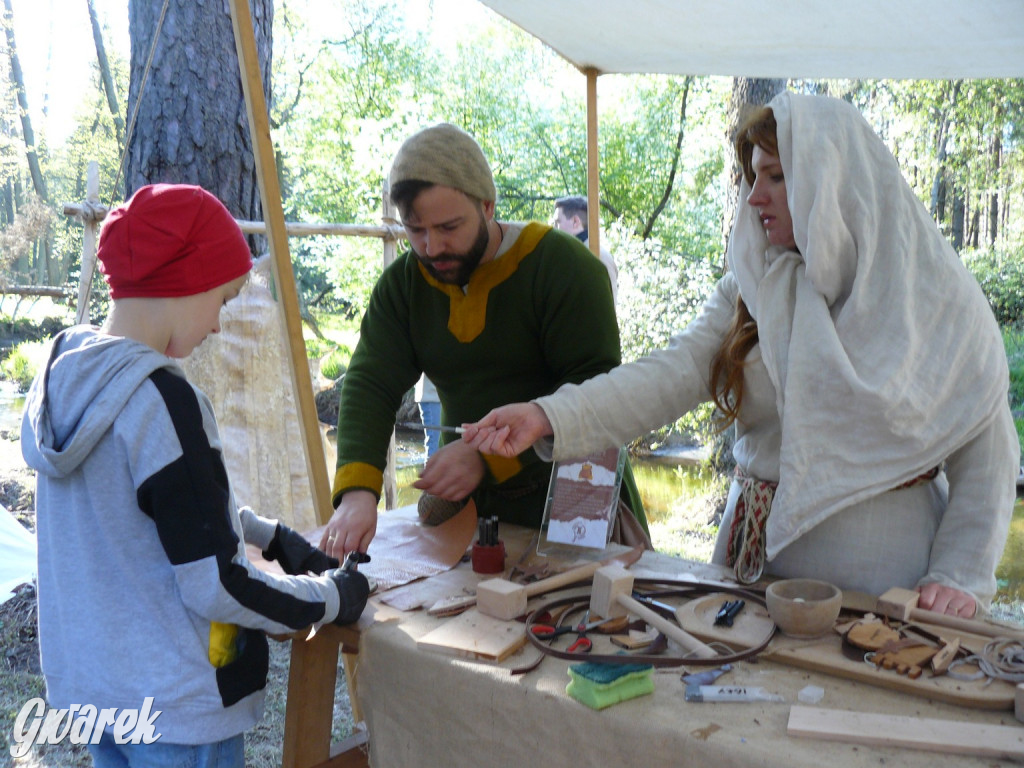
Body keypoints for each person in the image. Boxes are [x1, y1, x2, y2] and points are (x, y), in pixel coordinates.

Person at [464, 92, 1018, 619]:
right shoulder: (751, 286)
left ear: (835, 180)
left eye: (776, 176)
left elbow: (985, 450)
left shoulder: (936, 299)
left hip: (882, 581)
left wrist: (959, 573)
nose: (755, 196)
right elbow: (673, 372)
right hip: (749, 572)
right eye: (754, 176)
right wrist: (546, 415)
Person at [21, 184, 370, 767]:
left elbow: (139, 513)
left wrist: (268, 535)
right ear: (189, 281)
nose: (216, 326)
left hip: (96, 695)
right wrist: (332, 598)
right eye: (224, 299)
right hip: (176, 709)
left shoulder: (63, 387)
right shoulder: (162, 400)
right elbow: (217, 583)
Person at [321, 123, 648, 558]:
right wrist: (358, 493)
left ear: (488, 206)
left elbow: (596, 391)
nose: (432, 246)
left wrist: (485, 457)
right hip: (470, 510)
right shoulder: (402, 288)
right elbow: (371, 383)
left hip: (578, 494)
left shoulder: (564, 269)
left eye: (449, 226)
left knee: (582, 617)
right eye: (415, 230)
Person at [553, 194, 619, 302]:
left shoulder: (598, 255)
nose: (554, 228)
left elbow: (605, 308)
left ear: (575, 222)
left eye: (557, 222)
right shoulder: (574, 253)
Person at [416, 373, 442, 457]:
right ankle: (431, 469)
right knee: (434, 446)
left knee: (437, 445)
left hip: (435, 396)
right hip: (431, 397)